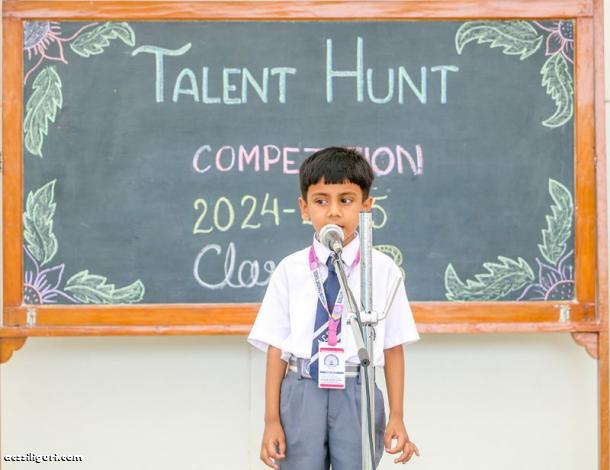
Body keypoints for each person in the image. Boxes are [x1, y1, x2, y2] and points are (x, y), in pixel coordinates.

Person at [248, 147, 420, 469]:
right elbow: (277, 347)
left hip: (356, 388)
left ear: (366, 206)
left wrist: (397, 415)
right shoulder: (290, 269)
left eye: (346, 200)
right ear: (304, 207)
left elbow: (392, 345)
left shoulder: (382, 269)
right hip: (302, 388)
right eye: (321, 201)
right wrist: (271, 420)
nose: (334, 212)